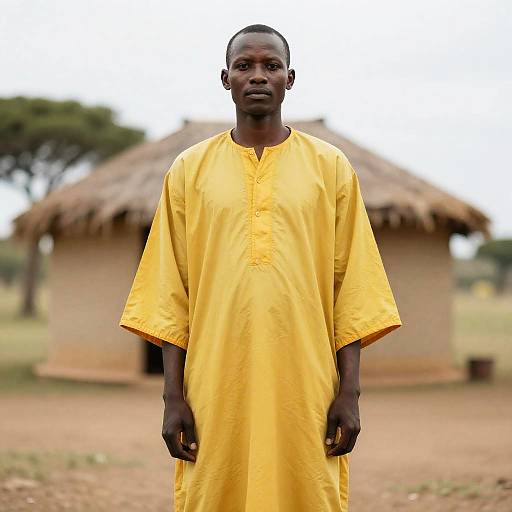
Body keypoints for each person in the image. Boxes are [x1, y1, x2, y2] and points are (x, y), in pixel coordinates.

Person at [119, 23, 401, 512]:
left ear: (290, 79)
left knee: (308, 490)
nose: (257, 76)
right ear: (224, 78)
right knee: (215, 491)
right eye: (244, 65)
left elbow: (353, 287)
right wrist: (172, 397)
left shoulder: (330, 168)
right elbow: (169, 291)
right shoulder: (190, 171)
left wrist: (349, 392)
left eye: (270, 66)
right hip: (213, 384)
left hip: (307, 384)